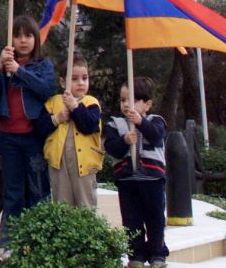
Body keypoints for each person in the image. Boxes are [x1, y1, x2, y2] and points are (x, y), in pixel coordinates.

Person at [0, 15, 55, 248]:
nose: (22, 41)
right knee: (12, 192)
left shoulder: (43, 65)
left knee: (38, 189)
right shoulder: (3, 64)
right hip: (9, 137)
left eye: (28, 35)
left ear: (35, 38)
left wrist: (20, 72)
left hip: (33, 136)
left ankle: (37, 241)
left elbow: (47, 90)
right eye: (17, 35)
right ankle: (11, 243)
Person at [104, 76, 168, 268]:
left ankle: (158, 253)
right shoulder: (115, 125)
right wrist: (124, 141)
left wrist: (140, 122)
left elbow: (157, 137)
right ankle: (136, 255)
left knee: (155, 218)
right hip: (127, 180)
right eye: (123, 100)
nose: (126, 105)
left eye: (131, 101)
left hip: (152, 180)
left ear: (146, 104)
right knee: (132, 220)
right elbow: (111, 148)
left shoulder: (156, 121)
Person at [34, 53, 101, 208]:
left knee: (85, 204)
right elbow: (39, 128)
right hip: (59, 164)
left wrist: (75, 107)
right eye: (75, 79)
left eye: (85, 78)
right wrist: (56, 118)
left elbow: (89, 126)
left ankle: (85, 232)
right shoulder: (53, 102)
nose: (81, 83)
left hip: (84, 166)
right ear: (63, 82)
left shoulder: (92, 103)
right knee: (63, 205)